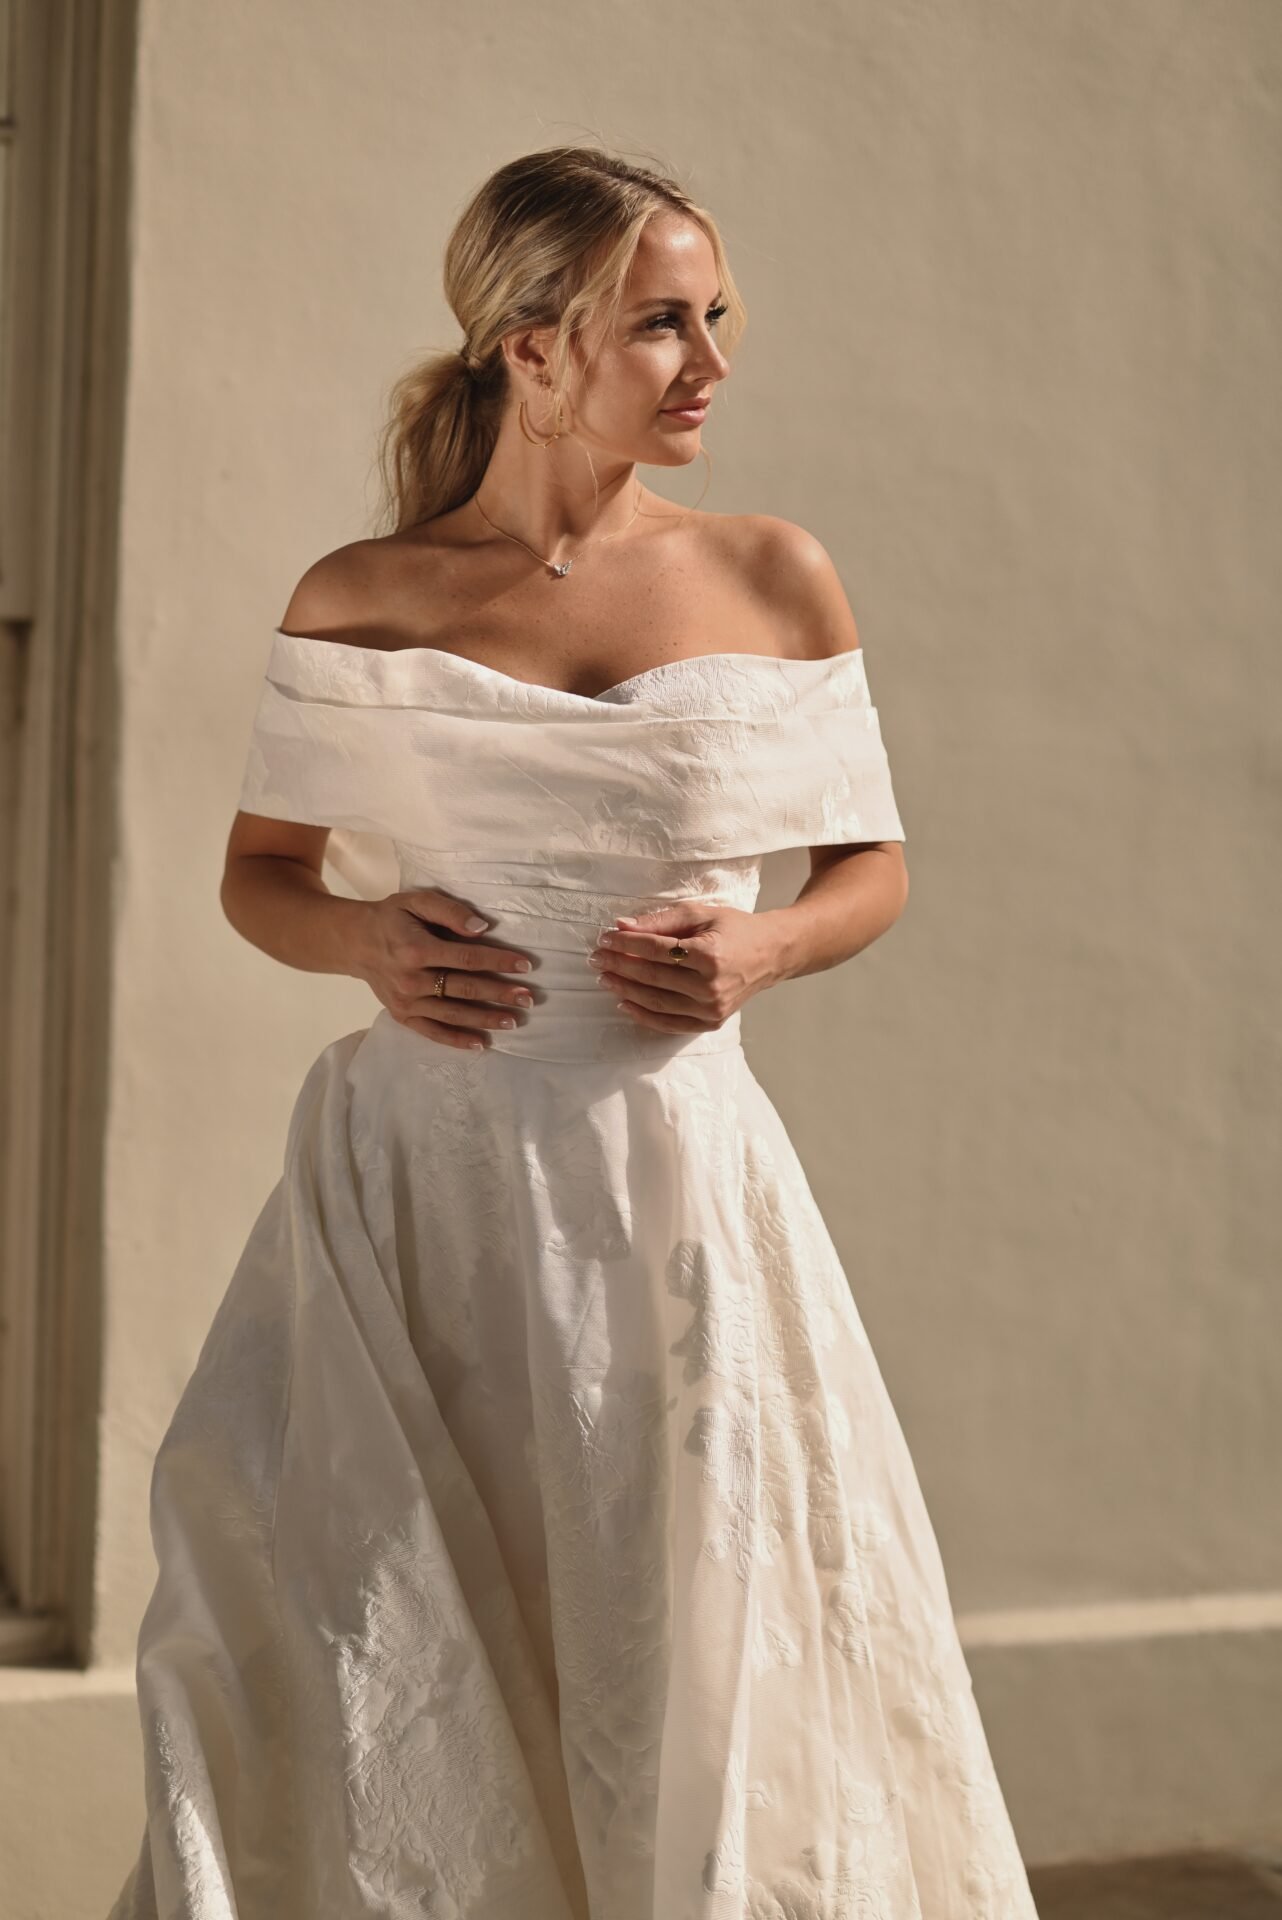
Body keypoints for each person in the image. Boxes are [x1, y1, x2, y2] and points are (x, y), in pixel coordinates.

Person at [108, 144, 1040, 1919]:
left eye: (714, 317)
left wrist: (763, 950)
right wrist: (366, 938)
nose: (707, 360)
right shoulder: (359, 595)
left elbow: (872, 869)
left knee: (684, 1608)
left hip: (670, 1180)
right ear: (530, 348)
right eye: (658, 324)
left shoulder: (772, 575)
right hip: (419, 1184)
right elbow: (258, 878)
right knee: (381, 1629)